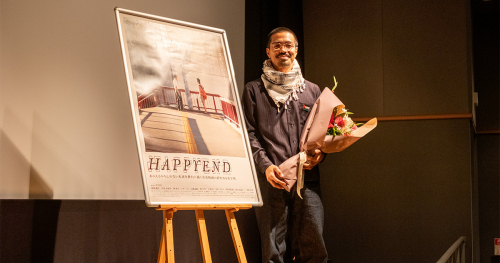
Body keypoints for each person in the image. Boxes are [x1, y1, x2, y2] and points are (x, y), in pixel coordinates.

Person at [242, 27, 328, 263]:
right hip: (272, 180)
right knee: (272, 252)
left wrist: (320, 153)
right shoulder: (253, 90)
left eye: (288, 45)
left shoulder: (311, 90)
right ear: (268, 51)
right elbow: (248, 134)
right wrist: (266, 167)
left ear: (296, 50)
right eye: (277, 45)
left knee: (314, 248)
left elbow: (320, 134)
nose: (283, 50)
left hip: (307, 181)